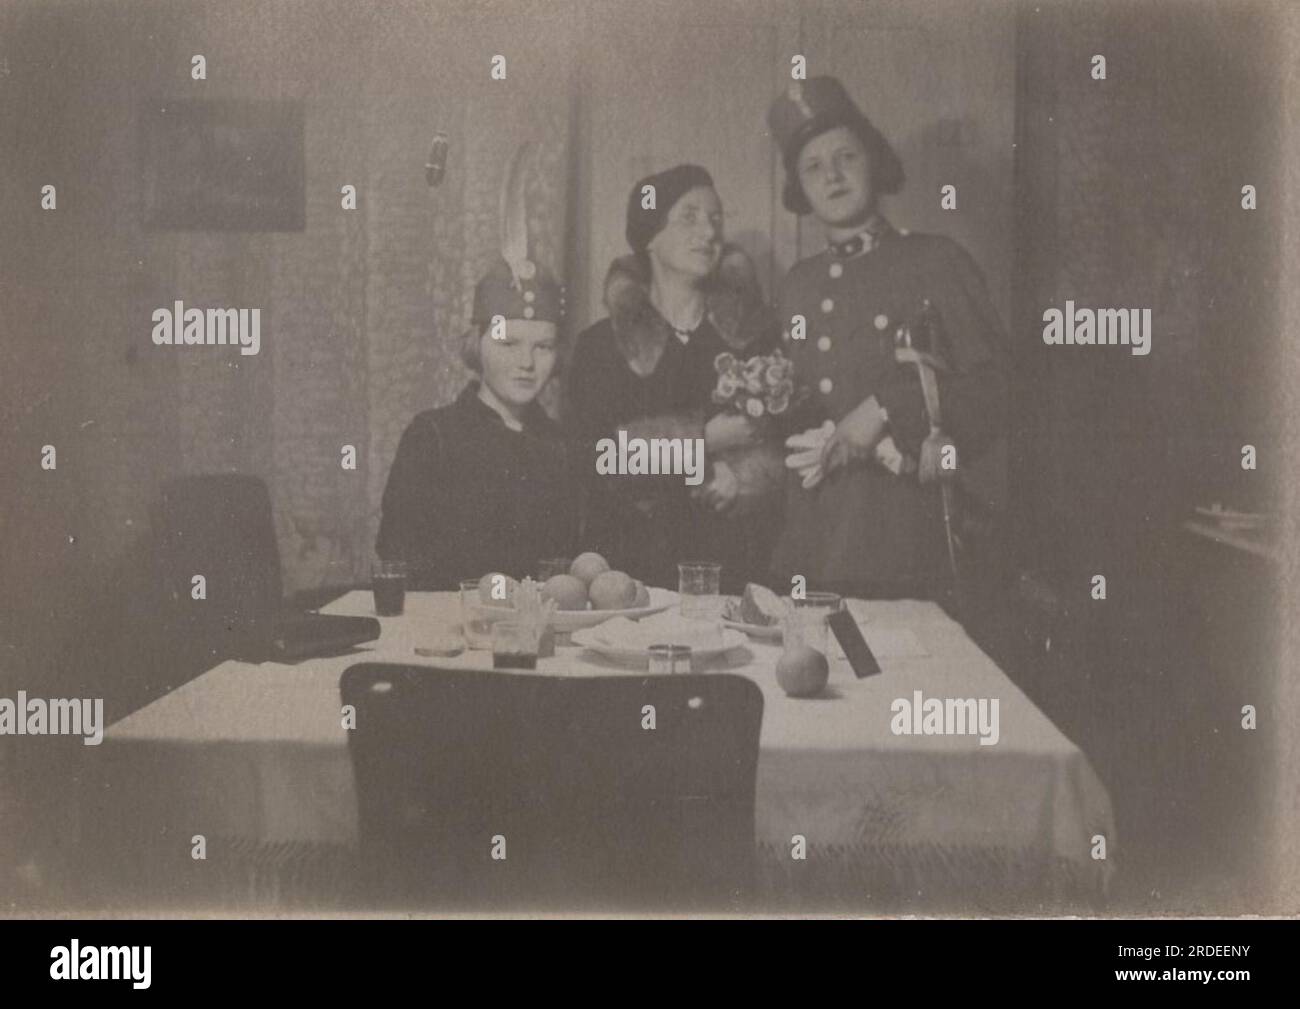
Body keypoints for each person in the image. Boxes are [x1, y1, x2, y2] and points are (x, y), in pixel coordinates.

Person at [765, 77, 1008, 601]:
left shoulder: (936, 262)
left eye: (846, 156)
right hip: (810, 550)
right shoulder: (797, 285)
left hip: (904, 548)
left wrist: (883, 410)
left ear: (873, 162)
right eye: (812, 166)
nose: (831, 175)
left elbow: (997, 393)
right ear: (800, 189)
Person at [566, 165, 780, 590]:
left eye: (716, 219)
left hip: (734, 571)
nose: (709, 232)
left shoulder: (752, 339)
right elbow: (595, 460)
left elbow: (784, 442)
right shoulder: (600, 346)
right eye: (689, 217)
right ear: (649, 236)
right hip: (628, 573)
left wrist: (745, 477)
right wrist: (701, 444)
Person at [376, 256, 577, 588]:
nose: (526, 362)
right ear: (477, 345)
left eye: (543, 346)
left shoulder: (565, 447)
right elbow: (400, 559)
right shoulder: (432, 438)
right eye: (508, 343)